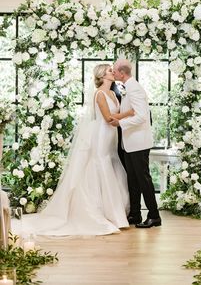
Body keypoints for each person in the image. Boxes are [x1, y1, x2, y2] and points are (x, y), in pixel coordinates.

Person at [19, 64, 134, 236]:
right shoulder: (100, 94)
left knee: (110, 162)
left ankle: (113, 212)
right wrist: (129, 113)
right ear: (102, 76)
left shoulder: (113, 93)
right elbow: (108, 118)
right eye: (110, 70)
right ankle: (108, 213)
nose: (113, 72)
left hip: (111, 135)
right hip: (101, 133)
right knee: (100, 164)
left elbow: (115, 115)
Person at [110, 59, 162, 228]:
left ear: (122, 73)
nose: (113, 72)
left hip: (138, 143)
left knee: (143, 180)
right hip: (131, 143)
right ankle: (135, 214)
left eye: (115, 71)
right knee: (132, 180)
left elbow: (142, 117)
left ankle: (154, 216)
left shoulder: (135, 88)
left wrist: (120, 123)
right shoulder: (129, 87)